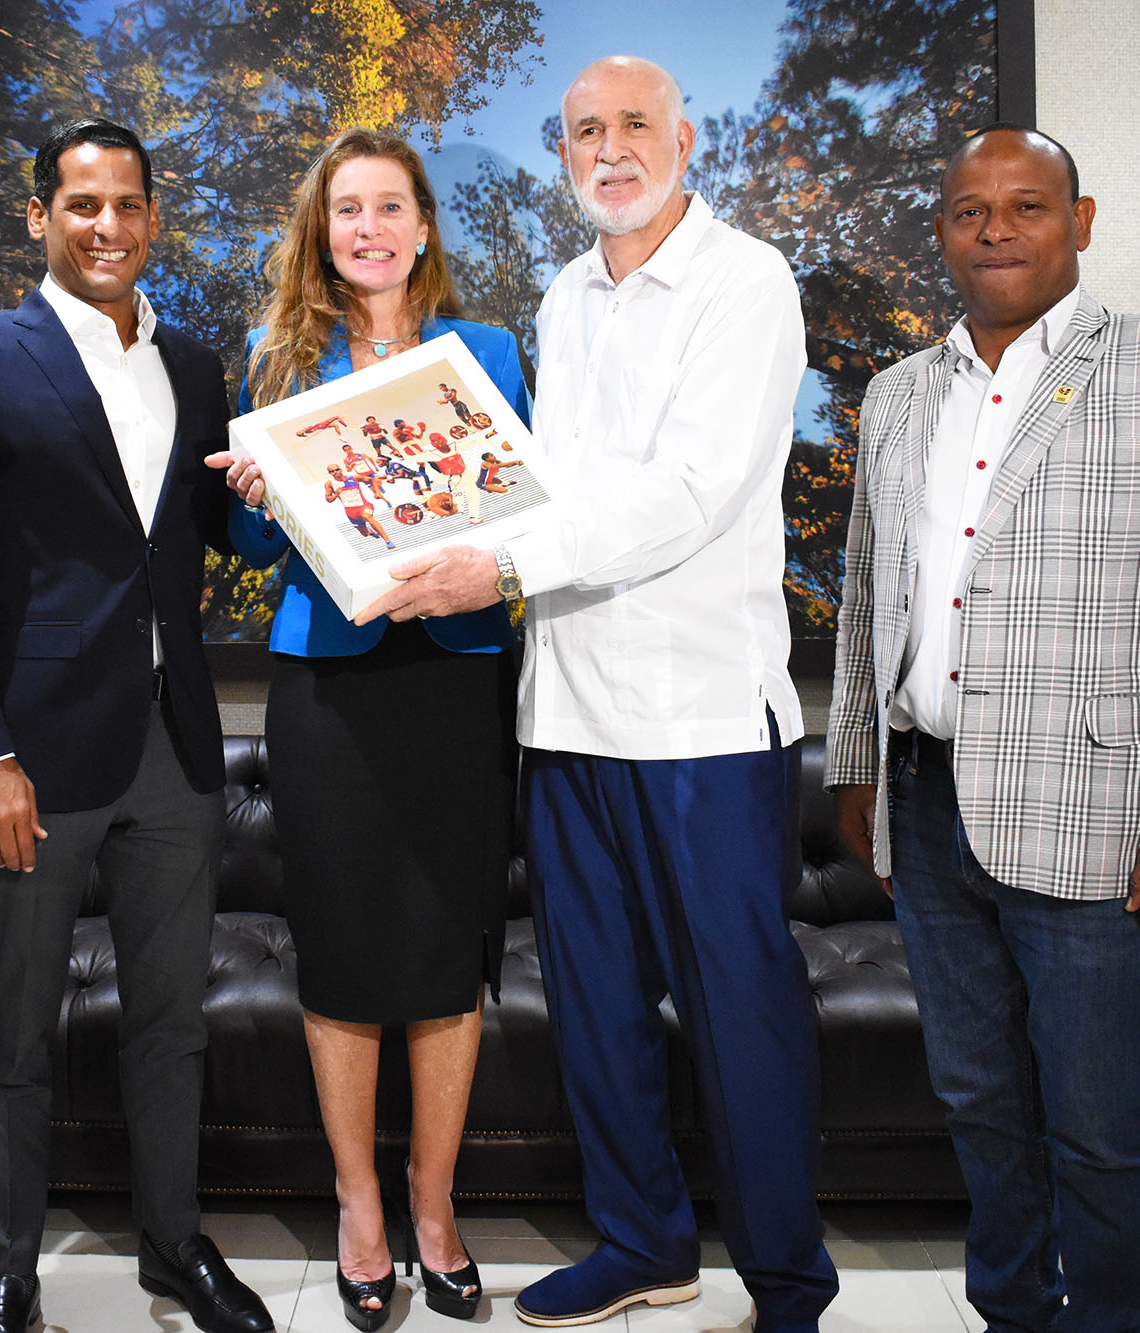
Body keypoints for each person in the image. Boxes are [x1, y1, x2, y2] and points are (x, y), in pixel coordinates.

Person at [362, 54, 839, 1332]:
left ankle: (788, 1283)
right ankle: (642, 1240)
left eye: (633, 124)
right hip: (565, 713)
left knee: (740, 1014)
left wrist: (498, 567)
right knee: (595, 1007)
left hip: (700, 721)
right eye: (584, 131)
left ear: (684, 139)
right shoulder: (564, 295)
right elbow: (530, 487)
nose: (608, 149)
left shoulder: (746, 281)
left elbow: (689, 492)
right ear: (562, 151)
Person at [824, 124, 1140, 1332]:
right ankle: (1013, 1313)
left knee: (1096, 1125)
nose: (993, 229)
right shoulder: (897, 394)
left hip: (1107, 822)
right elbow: (869, 595)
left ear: (1077, 223)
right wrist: (859, 765)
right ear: (940, 231)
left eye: (1024, 205)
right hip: (927, 807)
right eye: (967, 210)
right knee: (977, 1103)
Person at [0, 118, 272, 1333]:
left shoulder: (196, 368)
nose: (105, 226)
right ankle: (9, 1274)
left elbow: (223, 537)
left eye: (126, 205)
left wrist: (277, 492)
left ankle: (172, 1243)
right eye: (81, 204)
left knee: (170, 1022)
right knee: (13, 1034)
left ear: (151, 218)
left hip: (177, 747)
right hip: (32, 753)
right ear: (39, 217)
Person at [206, 127, 530, 1330]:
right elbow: (251, 548)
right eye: (347, 209)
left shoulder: (484, 353)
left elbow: (521, 518)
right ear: (322, 230)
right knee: (341, 949)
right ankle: (358, 1207)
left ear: (422, 226)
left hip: (453, 678)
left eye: (390, 206)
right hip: (328, 689)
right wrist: (252, 494)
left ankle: (432, 1205)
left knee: (447, 950)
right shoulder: (278, 362)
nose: (369, 229)